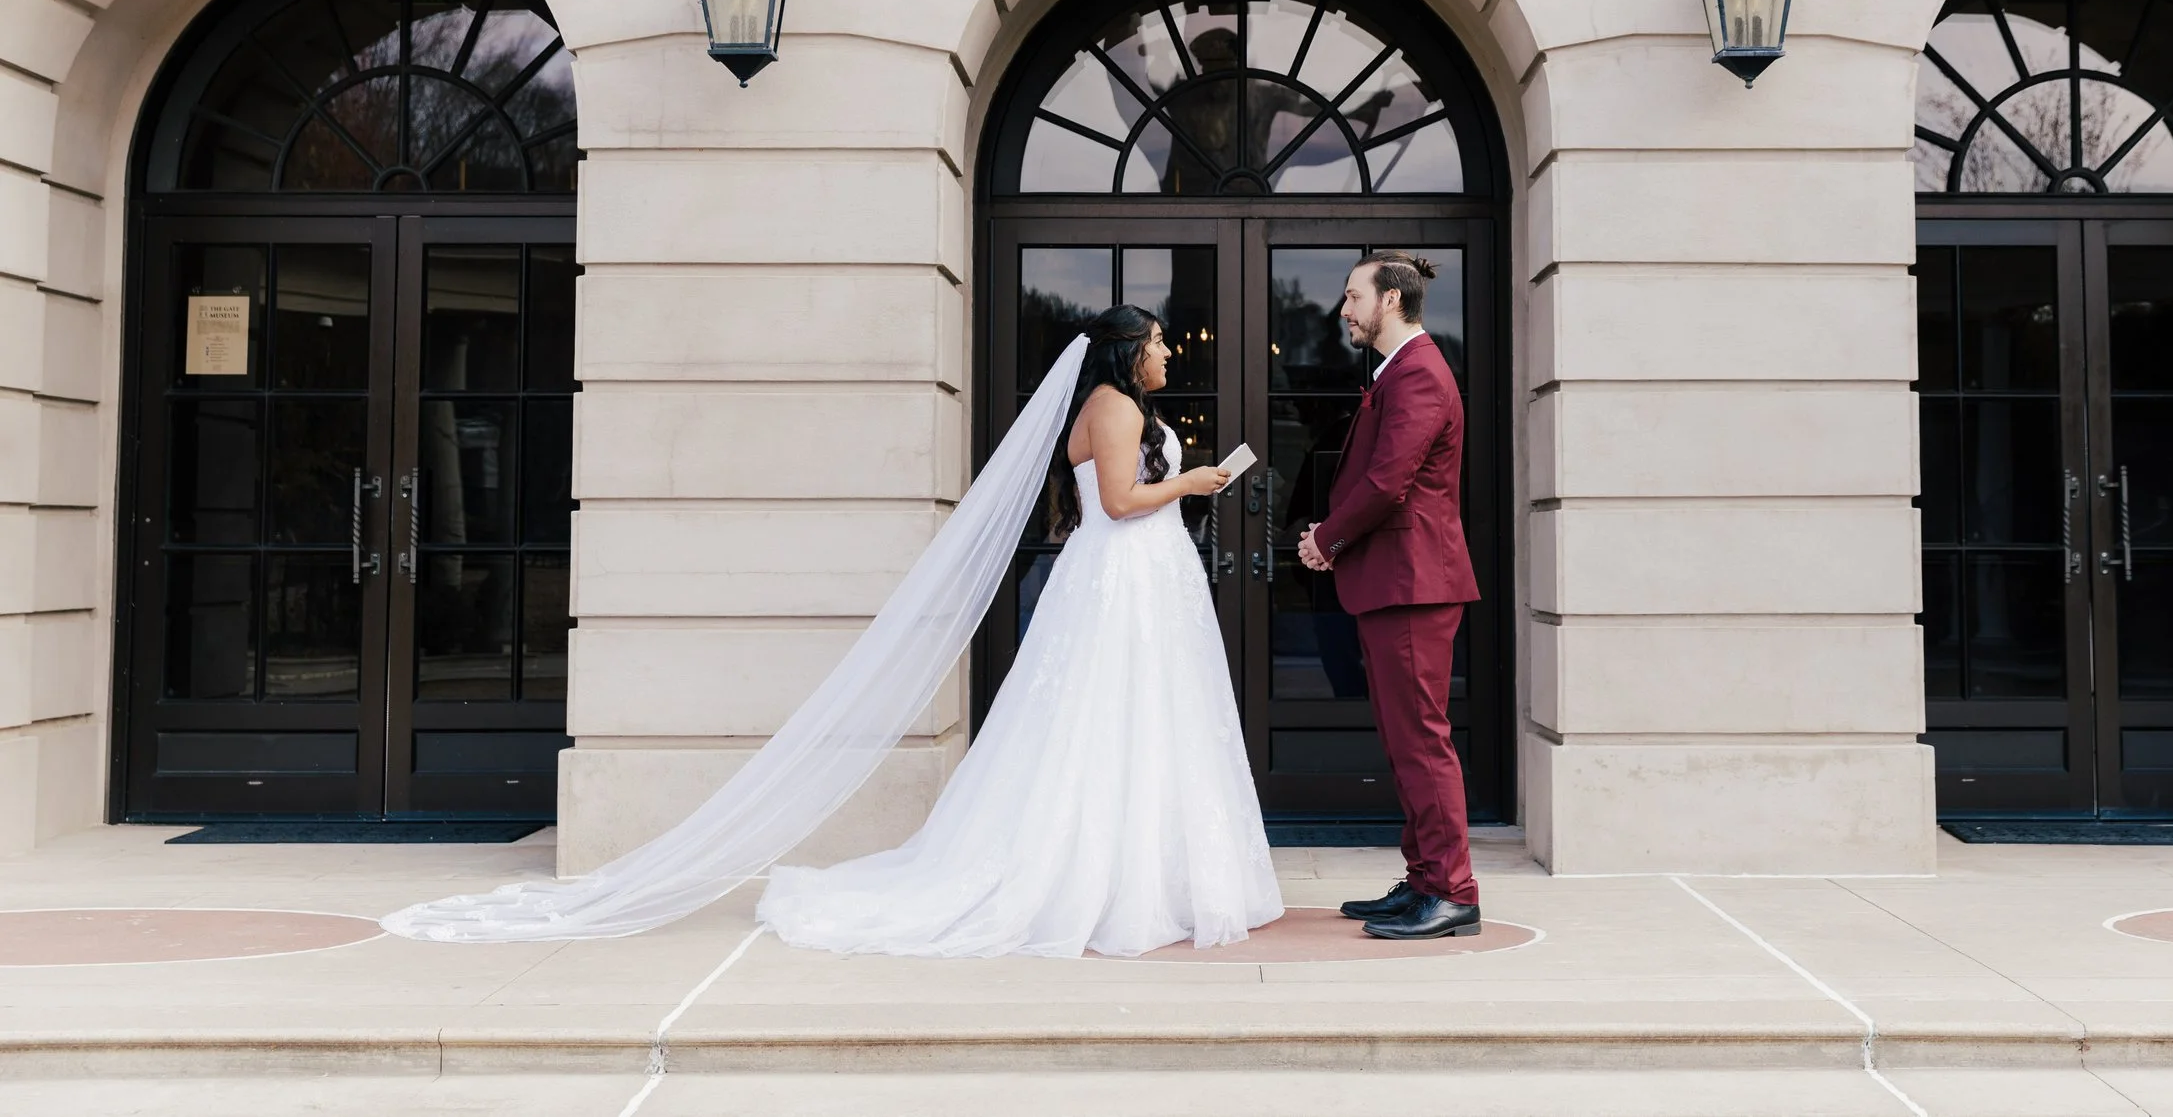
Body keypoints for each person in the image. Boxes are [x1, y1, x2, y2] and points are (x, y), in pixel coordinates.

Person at [384, 307, 1281, 957]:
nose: (1168, 350)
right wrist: (1192, 483)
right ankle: (1102, 880)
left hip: (1147, 585)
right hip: (1121, 581)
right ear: (1130, 351)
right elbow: (1122, 502)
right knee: (1103, 726)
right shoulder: (1115, 408)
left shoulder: (1127, 407)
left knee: (1148, 726)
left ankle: (1156, 873)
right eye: (1160, 340)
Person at [1297, 252, 1481, 940]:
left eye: (1352, 297)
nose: (1342, 310)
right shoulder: (1399, 371)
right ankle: (1426, 880)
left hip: (1413, 584)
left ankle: (1453, 889)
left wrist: (1327, 540)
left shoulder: (1421, 373)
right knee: (1407, 741)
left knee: (1422, 740)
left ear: (1391, 301)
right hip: (1398, 582)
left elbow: (1387, 482)